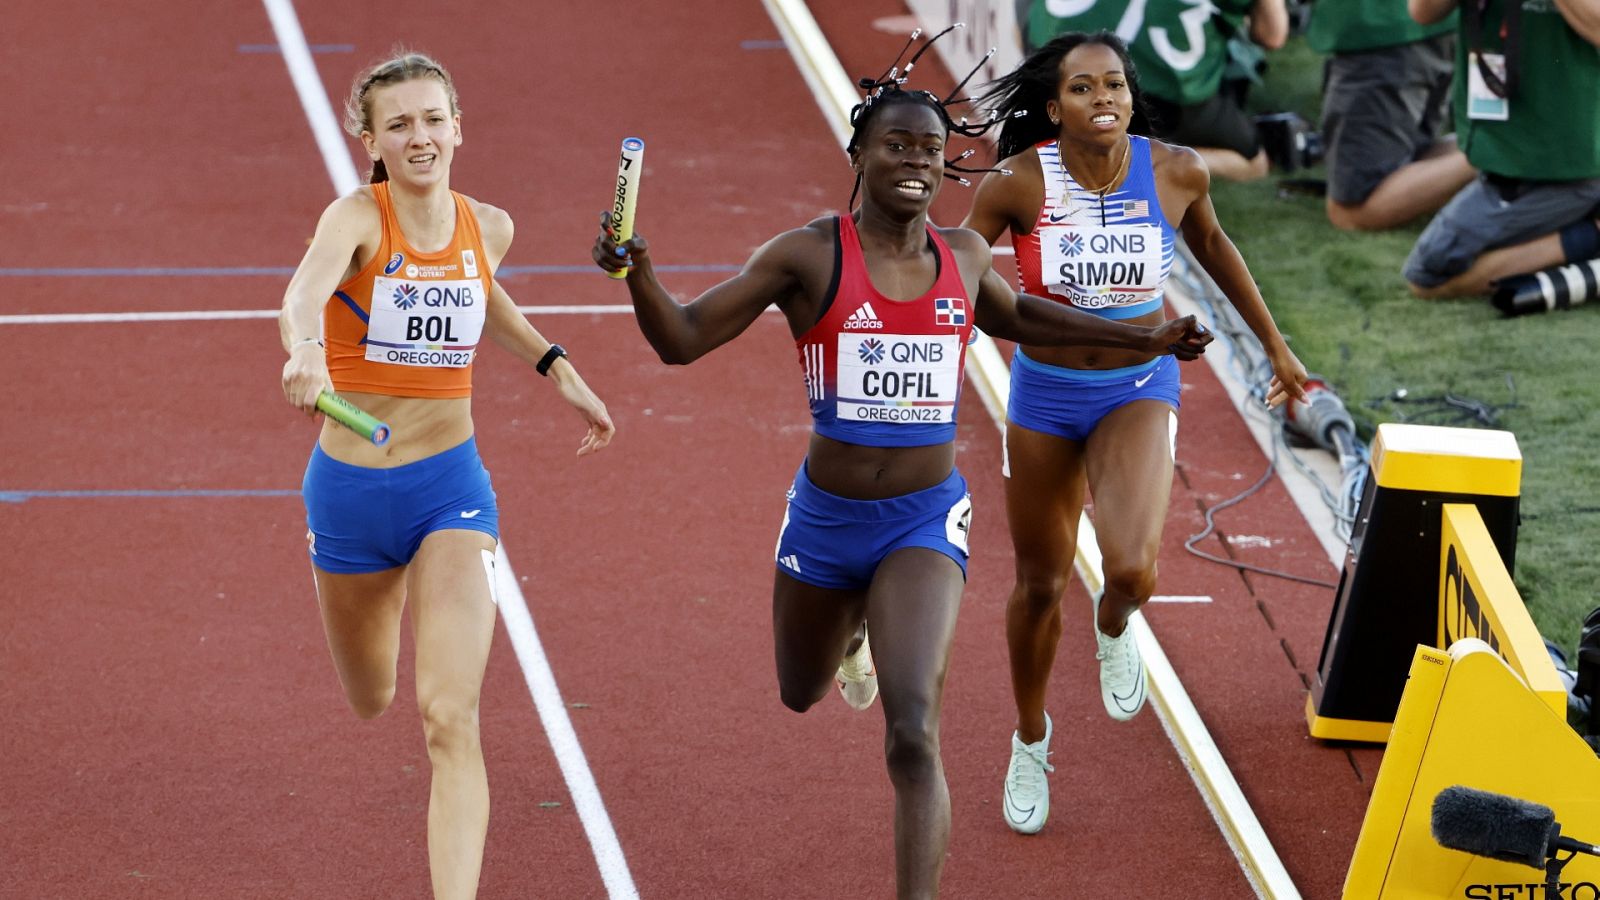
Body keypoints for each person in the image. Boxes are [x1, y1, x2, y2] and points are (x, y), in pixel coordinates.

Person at [591, 35, 1211, 898]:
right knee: (799, 691)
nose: (916, 163)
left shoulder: (961, 257)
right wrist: (640, 272)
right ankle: (849, 641)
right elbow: (683, 341)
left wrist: (1147, 337)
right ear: (859, 155)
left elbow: (1029, 320)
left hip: (924, 518)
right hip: (826, 517)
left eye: (929, 151)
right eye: (896, 147)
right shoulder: (810, 254)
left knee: (914, 730)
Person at [277, 52, 614, 900]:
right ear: (373, 139)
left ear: (458, 126)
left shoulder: (488, 226)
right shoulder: (356, 218)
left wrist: (560, 372)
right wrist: (308, 353)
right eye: (399, 124)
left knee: (448, 717)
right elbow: (305, 292)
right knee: (371, 696)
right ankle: (377, 604)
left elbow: (480, 292)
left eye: (433, 119)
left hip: (448, 490)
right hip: (349, 496)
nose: (419, 136)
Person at [960, 31, 1308, 835]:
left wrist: (1277, 348)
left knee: (1133, 570)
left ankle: (1114, 624)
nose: (1104, 98)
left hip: (1139, 386)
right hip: (1045, 392)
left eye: (1114, 84)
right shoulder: (1017, 183)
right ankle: (1031, 739)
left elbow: (1216, 247)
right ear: (1054, 108)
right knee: (1040, 584)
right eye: (1083, 89)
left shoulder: (1177, 169)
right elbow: (966, 266)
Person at [1403, 0, 1600, 297]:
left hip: (1572, 159)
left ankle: (1591, 237)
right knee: (1427, 272)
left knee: (1426, 276)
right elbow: (1422, 12)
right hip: (1508, 146)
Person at [1024, 0, 1290, 181]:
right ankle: (1142, 161)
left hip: (1062, 68)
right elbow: (1271, 35)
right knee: (1254, 163)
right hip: (1161, 88)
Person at [1306, 0, 1477, 231]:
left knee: (1352, 209)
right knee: (1411, 159)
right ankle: (1502, 152)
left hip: (1383, 27)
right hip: (1423, 23)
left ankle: (1503, 155)